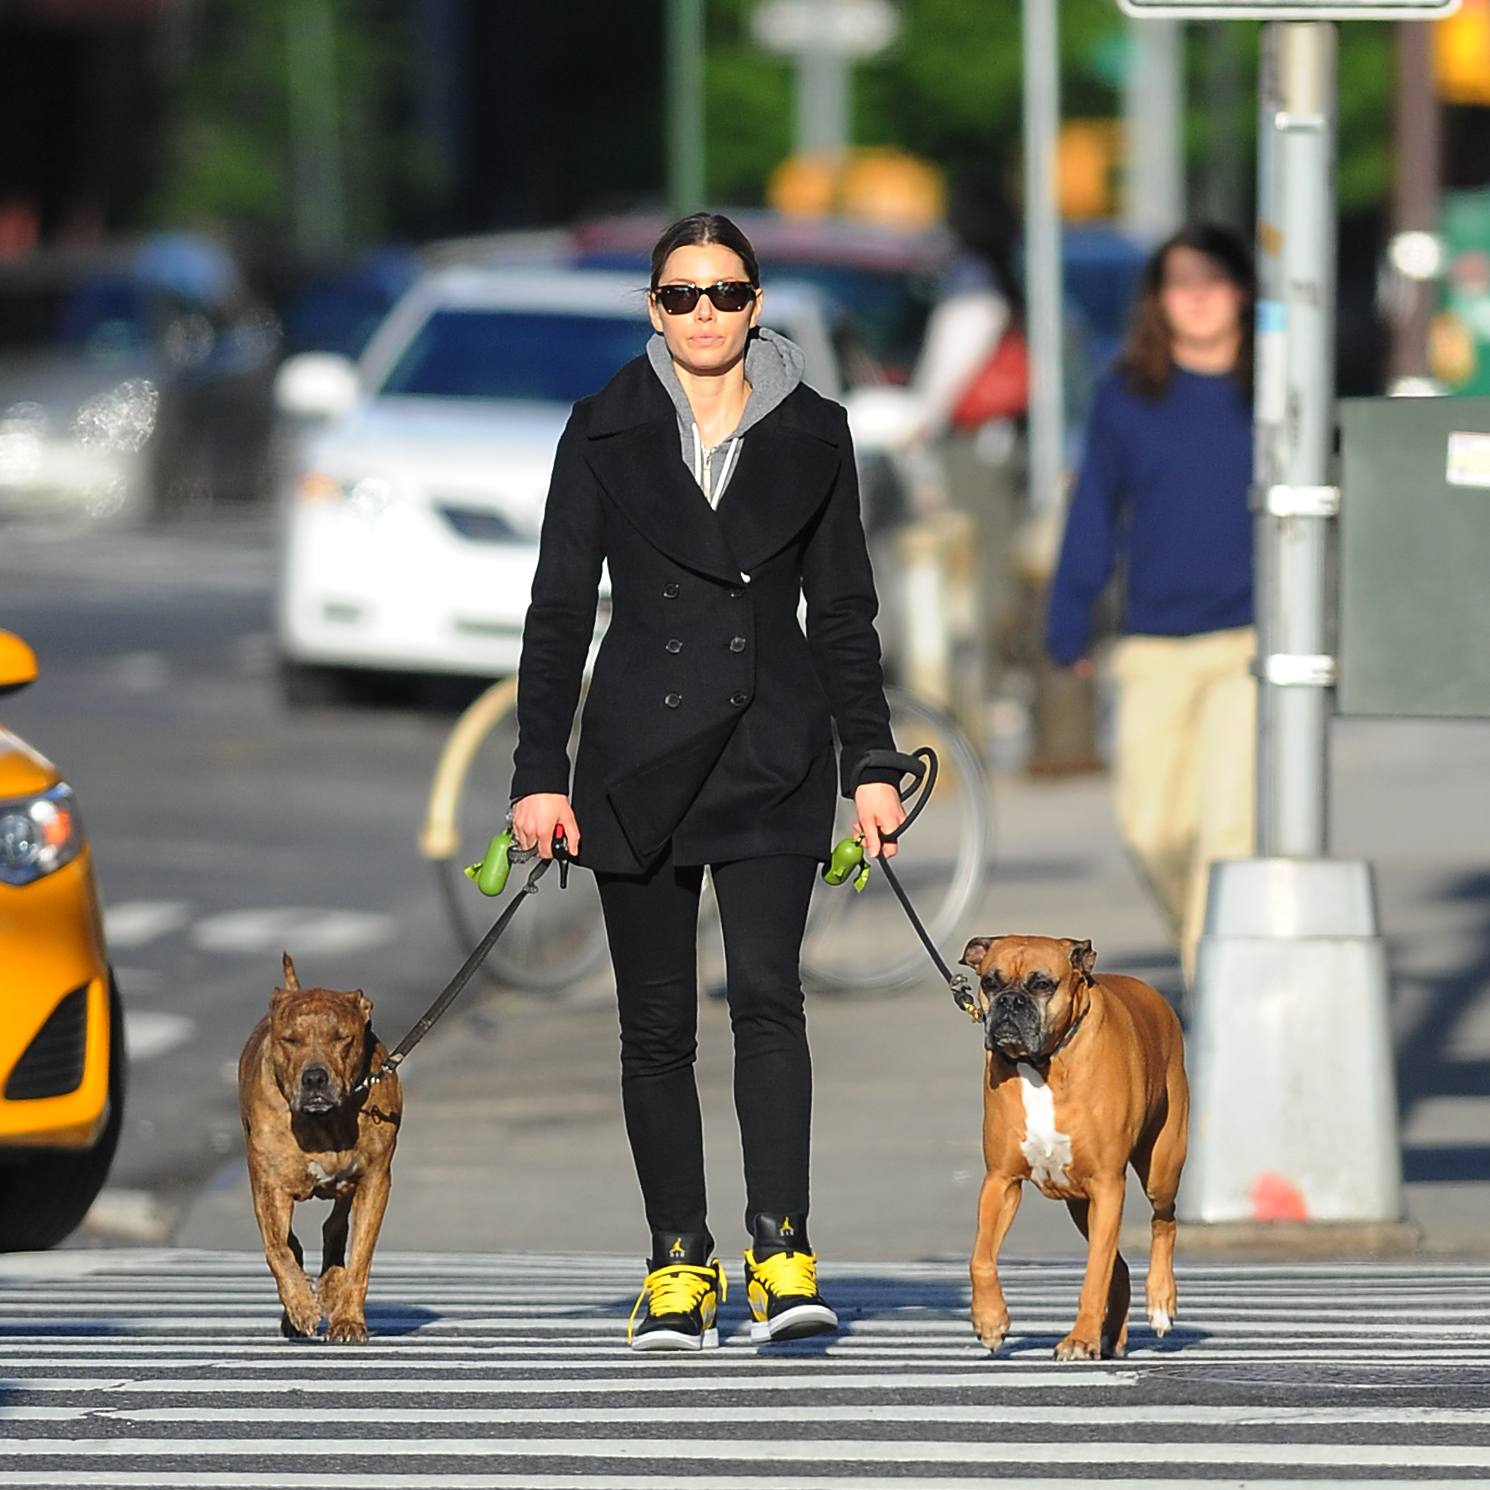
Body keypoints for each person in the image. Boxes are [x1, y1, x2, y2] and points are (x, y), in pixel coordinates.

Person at [508, 212, 905, 1351]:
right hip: (635, 758)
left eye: (724, 293)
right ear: (650, 308)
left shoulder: (815, 433)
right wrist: (540, 772)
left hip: (774, 750)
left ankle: (780, 1249)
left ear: (757, 303)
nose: (702, 315)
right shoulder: (602, 429)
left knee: (771, 1003)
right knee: (654, 1027)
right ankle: (677, 1261)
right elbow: (555, 613)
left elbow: (841, 614)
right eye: (679, 295)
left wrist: (869, 762)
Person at [1045, 222, 1257, 988]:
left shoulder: (1275, 392)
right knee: (1150, 828)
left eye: (1213, 280)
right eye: (1180, 283)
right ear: (1160, 301)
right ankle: (1221, 967)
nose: (1197, 297)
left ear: (1242, 290)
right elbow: (1094, 511)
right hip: (1153, 642)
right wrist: (1068, 616)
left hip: (1251, 643)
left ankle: (1220, 1002)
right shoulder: (1127, 397)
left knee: (1226, 834)